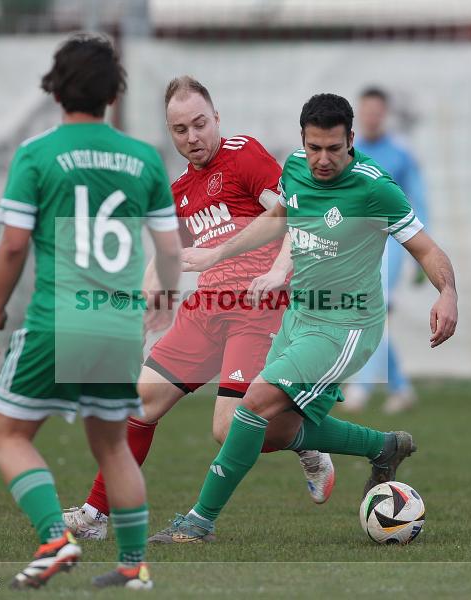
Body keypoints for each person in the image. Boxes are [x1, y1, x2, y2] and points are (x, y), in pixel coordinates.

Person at [148, 93, 457, 544]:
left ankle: (199, 522)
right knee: (274, 426)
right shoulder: (294, 168)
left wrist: (447, 292)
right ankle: (382, 447)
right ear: (303, 141)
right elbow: (279, 218)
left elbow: (426, 248)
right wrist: (227, 255)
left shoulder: (375, 187)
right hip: (298, 316)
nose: (323, 159)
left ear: (351, 140)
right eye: (315, 148)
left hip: (345, 327)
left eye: (334, 148)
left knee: (252, 404)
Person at [63, 76, 335, 542]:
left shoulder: (244, 154)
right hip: (205, 312)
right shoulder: (180, 191)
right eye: (180, 130)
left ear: (217, 119)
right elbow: (165, 256)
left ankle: (307, 441)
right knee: (140, 402)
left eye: (200, 124)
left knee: (227, 428)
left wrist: (279, 272)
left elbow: (292, 211)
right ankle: (96, 515)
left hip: (257, 307)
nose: (193, 138)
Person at [0, 33, 182, 589]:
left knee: (9, 434)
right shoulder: (143, 157)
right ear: (113, 94)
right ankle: (133, 565)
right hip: (117, 322)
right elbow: (170, 251)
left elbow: (13, 245)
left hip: (57, 318)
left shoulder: (37, 154)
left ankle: (54, 539)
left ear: (56, 89)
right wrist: (164, 297)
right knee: (113, 444)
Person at [343, 87, 431, 414]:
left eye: (377, 111)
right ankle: (400, 386)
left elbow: (420, 202)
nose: (372, 117)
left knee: (372, 307)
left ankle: (361, 389)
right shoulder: (348, 152)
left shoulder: (400, 154)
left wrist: (424, 254)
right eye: (366, 111)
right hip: (358, 245)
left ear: (385, 114)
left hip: (392, 241)